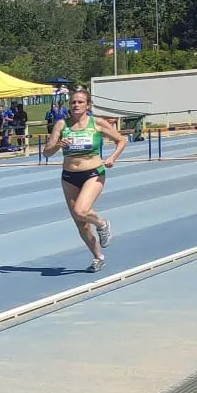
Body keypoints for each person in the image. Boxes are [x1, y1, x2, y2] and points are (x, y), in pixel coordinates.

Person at [41, 86, 127, 271]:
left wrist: (112, 157)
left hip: (93, 173)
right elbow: (46, 152)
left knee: (81, 210)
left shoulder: (96, 123)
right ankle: (98, 256)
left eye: (80, 102)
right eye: (73, 102)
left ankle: (102, 223)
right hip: (69, 176)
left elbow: (122, 140)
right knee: (80, 223)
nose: (76, 105)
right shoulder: (61, 125)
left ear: (87, 105)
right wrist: (57, 145)